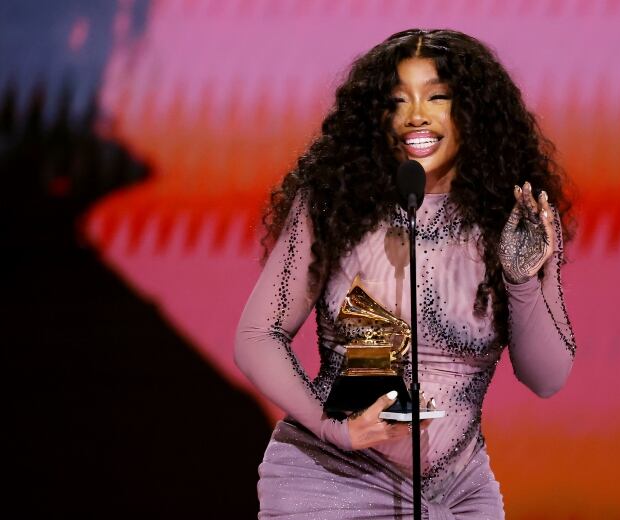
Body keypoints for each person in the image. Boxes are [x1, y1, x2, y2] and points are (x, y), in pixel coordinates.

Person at [234, 28, 577, 519]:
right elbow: (256, 335)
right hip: (333, 479)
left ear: (473, 111)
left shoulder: (516, 219)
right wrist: (336, 428)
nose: (416, 113)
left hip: (460, 494)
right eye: (398, 100)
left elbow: (548, 377)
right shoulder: (336, 205)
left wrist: (522, 281)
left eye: (437, 96)